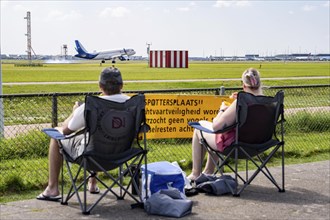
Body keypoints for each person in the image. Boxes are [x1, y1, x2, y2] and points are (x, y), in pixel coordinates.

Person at [37, 67, 130, 201]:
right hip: (122, 155)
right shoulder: (132, 104)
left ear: (100, 86)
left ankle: (52, 188)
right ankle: (92, 183)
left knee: (56, 138)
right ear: (122, 85)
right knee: (97, 136)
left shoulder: (90, 105)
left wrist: (75, 112)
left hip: (93, 157)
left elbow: (66, 130)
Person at [187, 68, 263, 181]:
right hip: (260, 144)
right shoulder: (267, 102)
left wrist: (223, 110)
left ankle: (195, 173)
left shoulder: (240, 103)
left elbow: (216, 126)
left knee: (201, 127)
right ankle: (208, 171)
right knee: (218, 134)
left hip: (236, 146)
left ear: (244, 86)